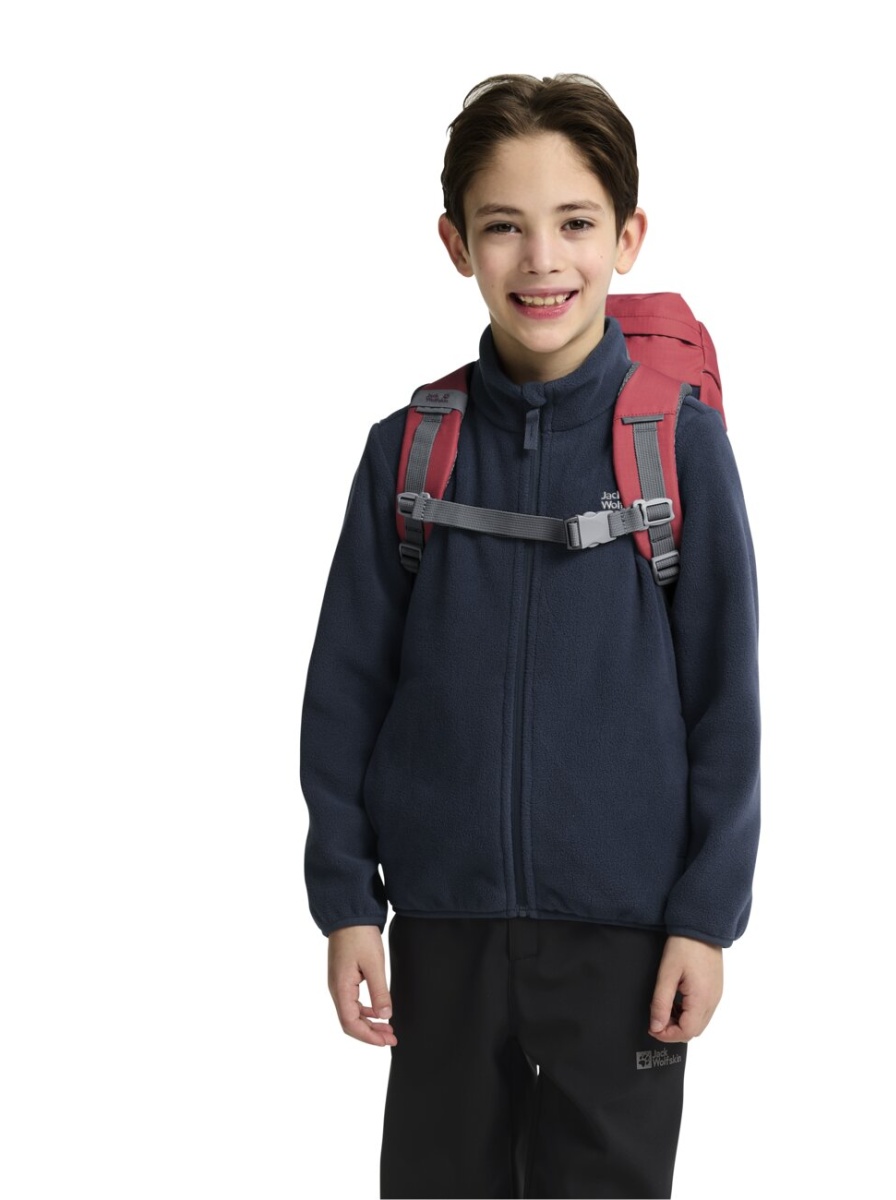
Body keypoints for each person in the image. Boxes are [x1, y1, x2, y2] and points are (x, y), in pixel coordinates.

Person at [300, 73, 761, 1199]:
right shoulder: (407, 450)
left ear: (628, 237)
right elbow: (345, 692)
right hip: (443, 930)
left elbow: (725, 702)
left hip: (627, 939)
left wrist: (706, 919)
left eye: (576, 224)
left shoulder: (678, 446)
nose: (542, 260)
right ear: (456, 242)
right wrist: (348, 901)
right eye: (504, 226)